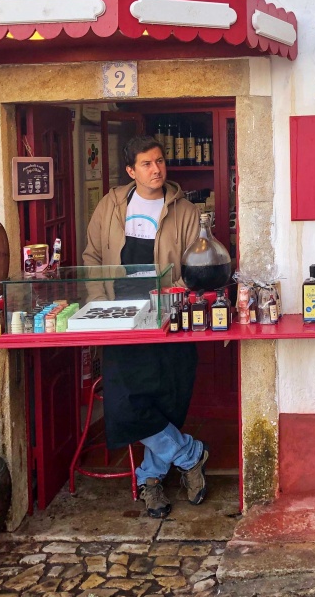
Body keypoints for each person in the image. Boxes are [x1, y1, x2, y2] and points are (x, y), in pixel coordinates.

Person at [82, 135, 208, 518]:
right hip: (121, 317)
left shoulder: (184, 210)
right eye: (148, 164)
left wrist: (171, 301)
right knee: (125, 403)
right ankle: (190, 455)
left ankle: (151, 479)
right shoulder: (111, 205)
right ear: (131, 171)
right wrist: (101, 305)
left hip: (168, 318)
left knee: (167, 400)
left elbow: (194, 267)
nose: (157, 170)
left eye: (160, 161)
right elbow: (91, 255)